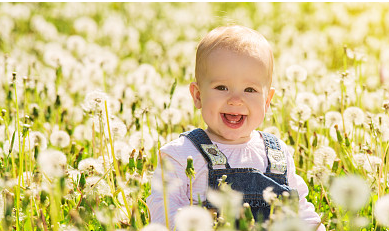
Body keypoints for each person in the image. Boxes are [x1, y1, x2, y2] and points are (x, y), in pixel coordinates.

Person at [146, 25, 325, 231]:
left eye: (250, 89)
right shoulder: (181, 154)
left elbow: (301, 210)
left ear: (267, 101)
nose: (236, 100)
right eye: (222, 87)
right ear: (197, 95)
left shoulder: (277, 155)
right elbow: (162, 214)